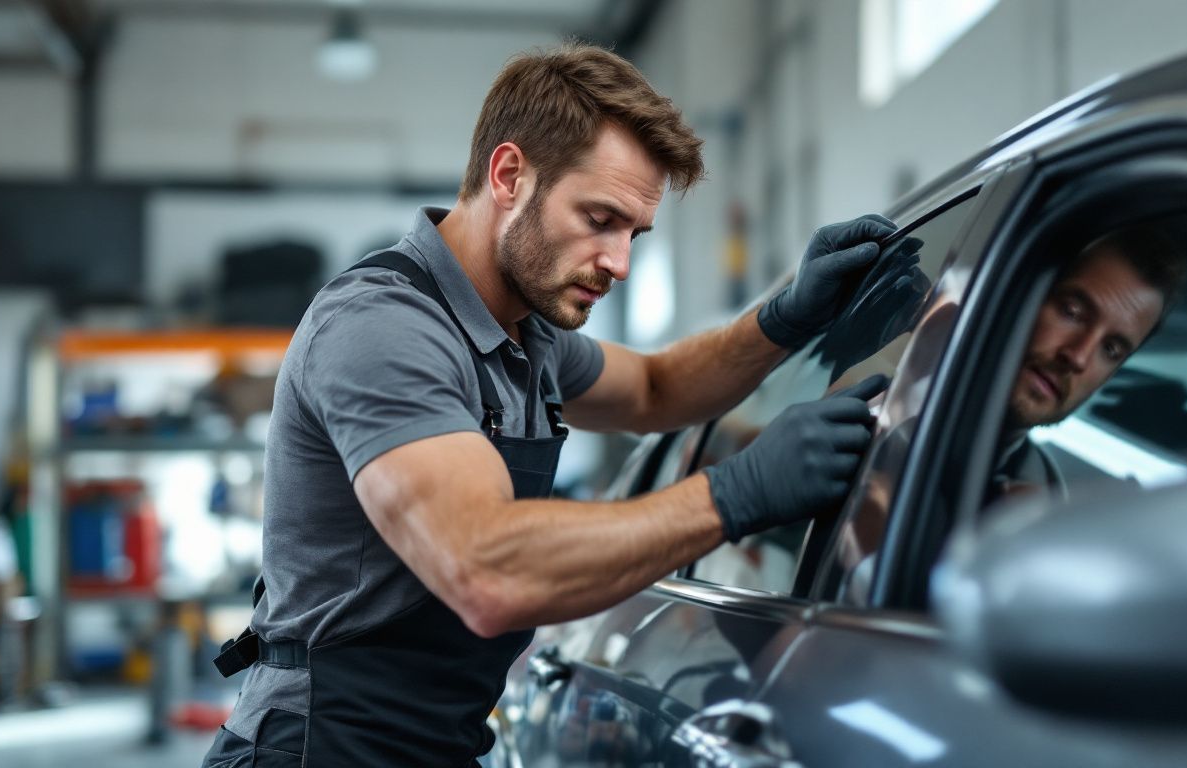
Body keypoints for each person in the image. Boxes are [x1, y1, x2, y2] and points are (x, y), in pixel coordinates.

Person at [202, 43, 900, 767]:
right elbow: (487, 572)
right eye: (600, 218)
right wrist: (736, 493)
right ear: (509, 175)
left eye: (634, 233)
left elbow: (657, 388)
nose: (619, 263)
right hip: (319, 747)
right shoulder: (385, 327)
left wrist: (783, 318)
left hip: (432, 744)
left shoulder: (525, 333)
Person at [988, 225, 1186, 502]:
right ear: (1024, 294)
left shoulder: (1046, 486)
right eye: (1072, 312)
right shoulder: (912, 421)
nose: (1079, 357)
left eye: (1111, 349)